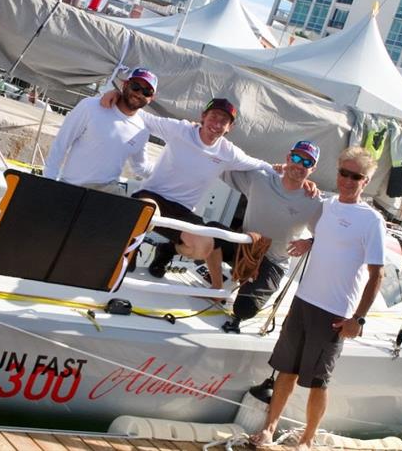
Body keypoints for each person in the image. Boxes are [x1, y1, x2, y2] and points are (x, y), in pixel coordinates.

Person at [250, 146, 385, 451]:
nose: (348, 180)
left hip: (335, 311)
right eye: (343, 173)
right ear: (336, 174)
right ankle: (269, 428)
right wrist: (310, 241)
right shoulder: (327, 206)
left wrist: (358, 320)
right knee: (286, 369)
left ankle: (307, 440)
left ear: (365, 182)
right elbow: (326, 233)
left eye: (356, 176)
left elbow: (378, 275)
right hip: (304, 300)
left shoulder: (372, 220)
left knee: (318, 382)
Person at [101, 92, 277, 274]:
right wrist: (117, 96)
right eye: (213, 117)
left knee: (204, 247)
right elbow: (144, 118)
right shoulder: (180, 130)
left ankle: (167, 250)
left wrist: (291, 175)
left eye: (223, 121)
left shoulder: (229, 152)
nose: (216, 124)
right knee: (146, 211)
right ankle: (131, 248)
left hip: (183, 210)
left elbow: (261, 165)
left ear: (229, 127)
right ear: (203, 116)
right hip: (153, 196)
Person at [207, 141, 323, 329]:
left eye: (307, 163)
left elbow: (330, 234)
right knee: (209, 232)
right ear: (287, 158)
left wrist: (310, 242)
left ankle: (248, 286)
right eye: (296, 158)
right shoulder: (260, 178)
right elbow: (222, 165)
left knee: (245, 310)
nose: (300, 165)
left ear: (313, 169)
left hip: (273, 262)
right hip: (245, 247)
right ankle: (217, 287)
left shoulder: (315, 201)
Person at [43, 68, 157, 195]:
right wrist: (49, 181)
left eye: (146, 91)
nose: (139, 93)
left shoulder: (142, 130)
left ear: (151, 98)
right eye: (136, 86)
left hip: (107, 192)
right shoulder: (90, 107)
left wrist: (176, 176)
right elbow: (61, 143)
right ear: (125, 85)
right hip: (72, 186)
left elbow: (141, 167)